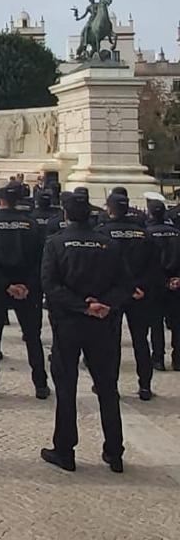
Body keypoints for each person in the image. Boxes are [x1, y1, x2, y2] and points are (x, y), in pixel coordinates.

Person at [41, 194, 132, 473]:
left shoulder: (55, 243)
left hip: (69, 323)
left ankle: (65, 450)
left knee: (66, 388)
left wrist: (82, 306)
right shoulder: (111, 244)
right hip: (102, 324)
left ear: (66, 215)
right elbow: (124, 284)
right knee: (107, 388)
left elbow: (50, 285)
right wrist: (104, 305)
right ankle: (115, 452)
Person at [0, 186, 49, 399]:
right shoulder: (32, 225)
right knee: (33, 337)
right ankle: (41, 384)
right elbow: (40, 259)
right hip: (27, 288)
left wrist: (6, 284)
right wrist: (26, 285)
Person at [96, 193, 158, 401]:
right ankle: (145, 386)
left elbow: (101, 269)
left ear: (110, 209)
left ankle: (110, 385)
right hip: (139, 294)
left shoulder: (102, 234)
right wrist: (139, 287)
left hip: (113, 294)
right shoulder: (144, 234)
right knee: (141, 341)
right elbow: (153, 267)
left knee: (110, 342)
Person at [146, 200, 180, 370]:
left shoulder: (147, 234)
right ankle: (178, 358)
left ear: (150, 214)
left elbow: (147, 262)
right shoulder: (176, 233)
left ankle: (158, 358)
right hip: (176, 284)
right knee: (177, 323)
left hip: (155, 284)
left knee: (156, 323)